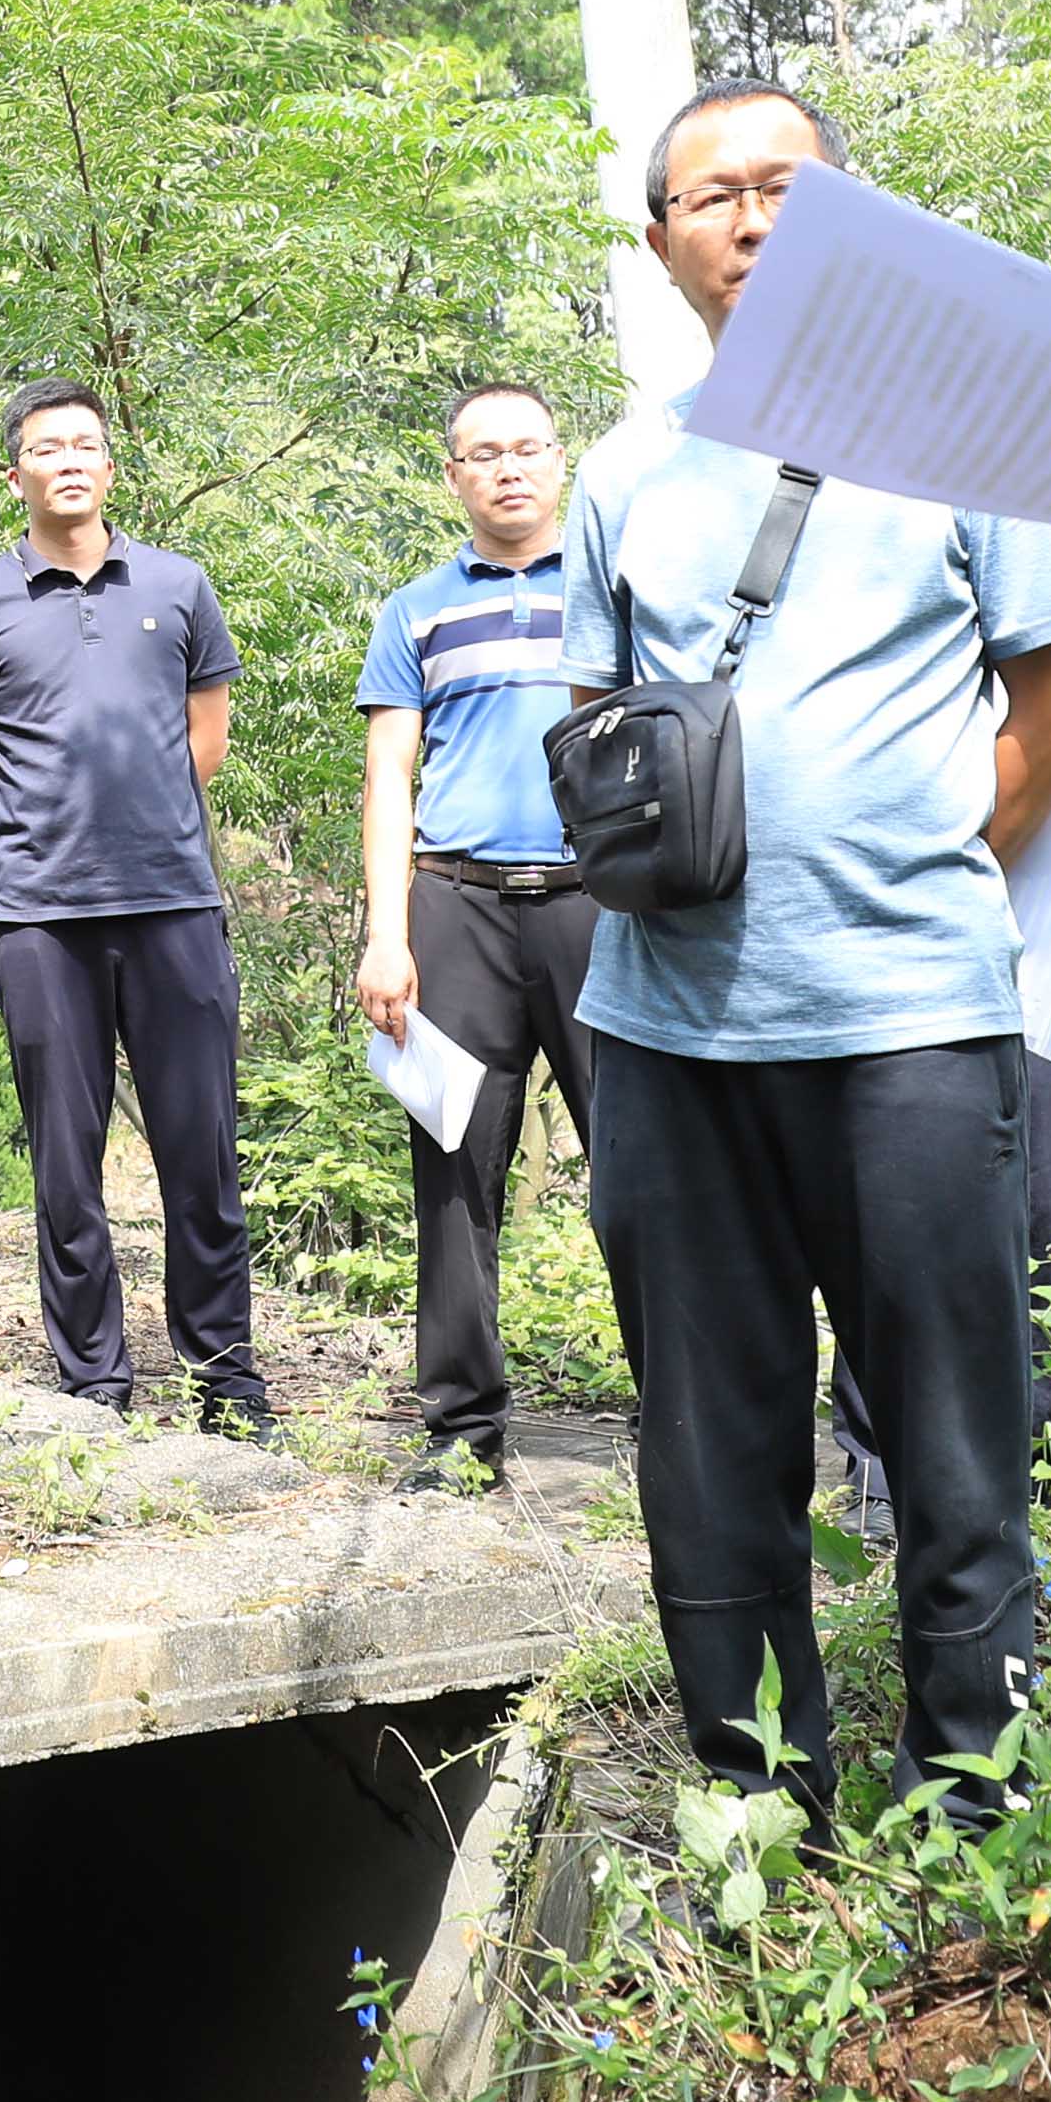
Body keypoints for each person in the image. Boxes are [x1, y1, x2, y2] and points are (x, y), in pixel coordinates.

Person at [572, 83, 1051, 1807]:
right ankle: (758, 1804)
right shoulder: (623, 470)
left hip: (908, 1029)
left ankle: (974, 1797)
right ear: (661, 249)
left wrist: (932, 873)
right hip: (663, 1039)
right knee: (711, 1451)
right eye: (711, 198)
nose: (753, 221)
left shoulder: (972, 430)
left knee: (956, 1429)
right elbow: (607, 730)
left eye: (788, 189)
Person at [0, 383, 263, 1429]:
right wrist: (38, 849)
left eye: (87, 445)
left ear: (111, 468)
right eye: (46, 447)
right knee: (67, 1166)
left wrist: (140, 827)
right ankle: (95, 1385)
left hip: (173, 903)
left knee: (199, 1151)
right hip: (41, 920)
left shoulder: (178, 585)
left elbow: (203, 743)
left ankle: (227, 1380)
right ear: (14, 473)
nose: (69, 460)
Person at [831, 544, 1051, 1540]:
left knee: (1041, 1198)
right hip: (882, 922)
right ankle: (880, 1467)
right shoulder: (870, 549)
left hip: (1041, 925)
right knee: (883, 1185)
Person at [350, 373, 598, 1481]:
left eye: (527, 447)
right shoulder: (415, 609)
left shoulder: (611, 590)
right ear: (452, 474)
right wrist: (386, 933)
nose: (508, 467)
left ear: (560, 461)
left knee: (647, 1168)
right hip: (454, 907)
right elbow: (390, 776)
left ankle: (687, 1425)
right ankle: (462, 1436)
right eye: (483, 453)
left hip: (603, 907)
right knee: (453, 1170)